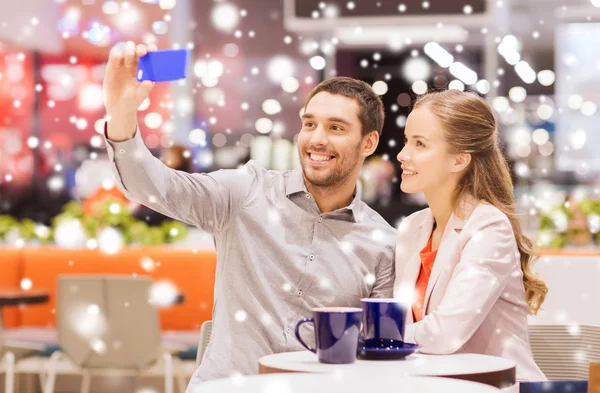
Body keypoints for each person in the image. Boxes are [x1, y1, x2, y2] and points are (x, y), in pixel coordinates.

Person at [102, 42, 395, 388]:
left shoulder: (381, 244)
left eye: (336, 128)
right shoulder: (246, 194)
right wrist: (120, 113)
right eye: (310, 124)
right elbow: (152, 186)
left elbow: (380, 356)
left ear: (369, 143)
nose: (317, 139)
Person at [393, 89, 547, 381]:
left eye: (420, 144)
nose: (403, 154)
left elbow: (443, 335)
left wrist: (375, 337)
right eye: (406, 141)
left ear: (459, 160)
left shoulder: (489, 228)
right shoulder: (412, 229)